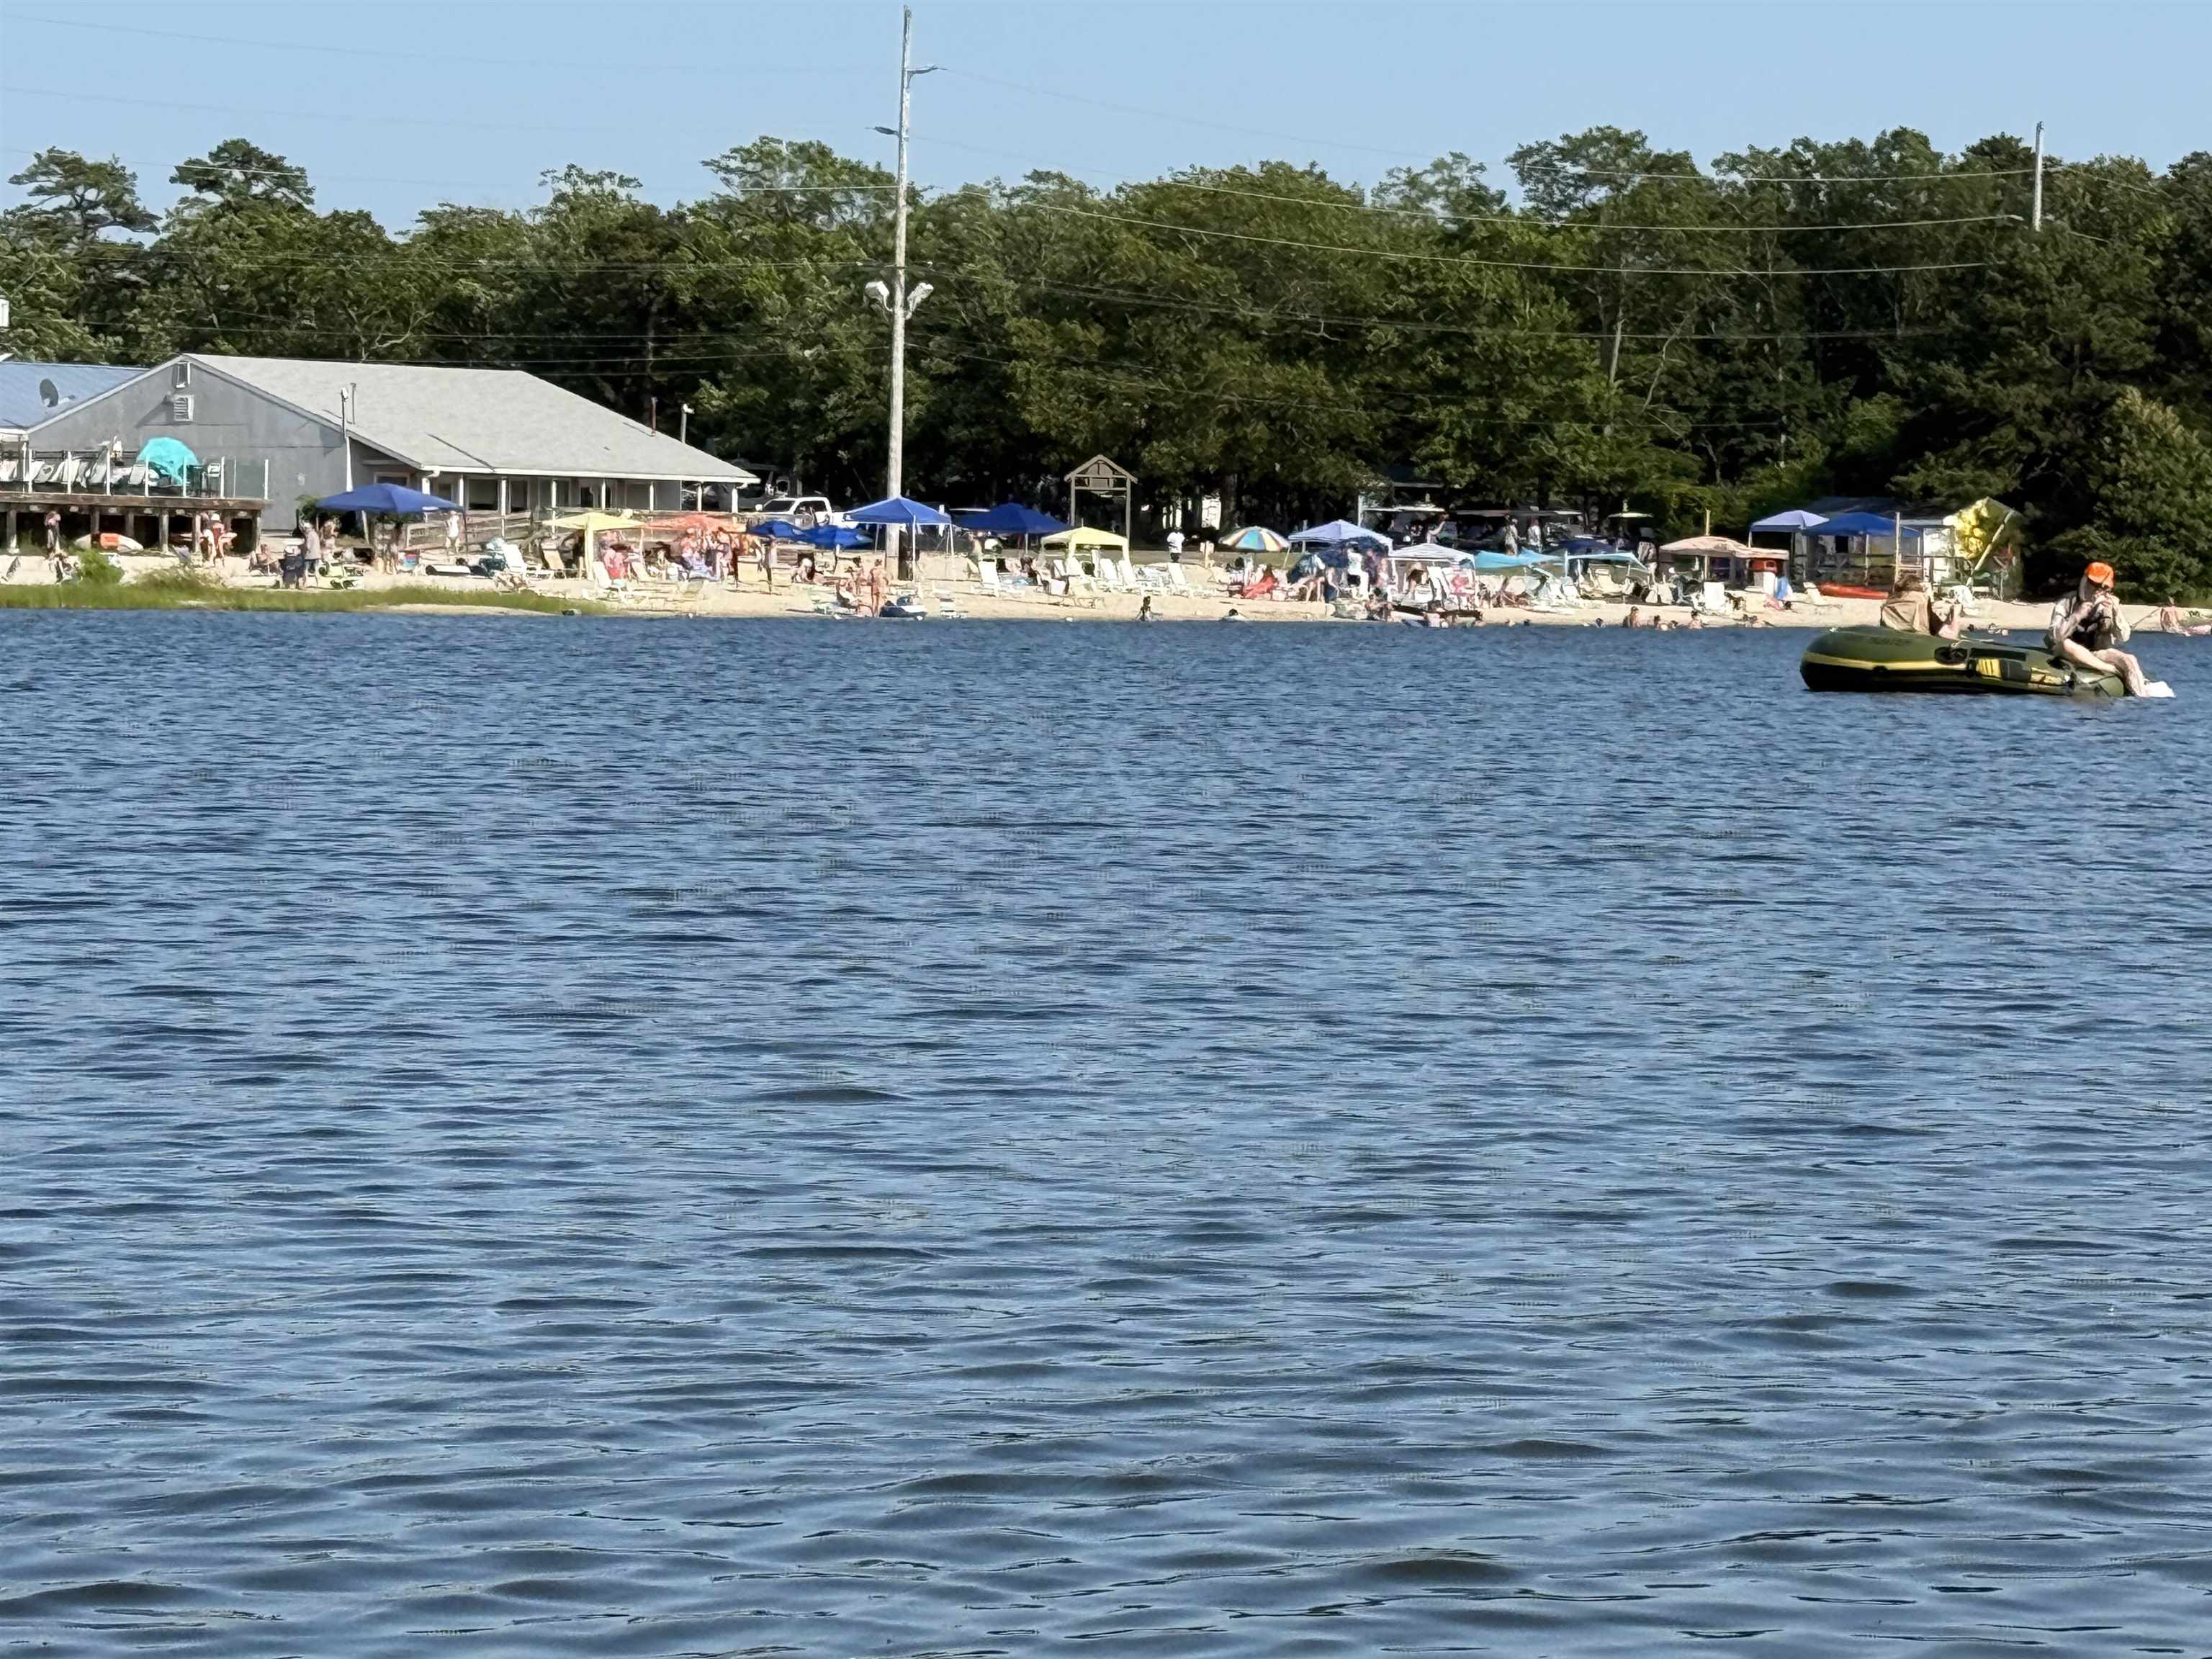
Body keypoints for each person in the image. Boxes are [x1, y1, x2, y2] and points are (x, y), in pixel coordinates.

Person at [2048, 561, 2150, 694]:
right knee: (2068, 645)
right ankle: (2113, 670)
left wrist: (2115, 611)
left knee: (2129, 659)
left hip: (2095, 653)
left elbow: (2124, 637)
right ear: (2084, 581)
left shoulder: (2106, 607)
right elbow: (2055, 636)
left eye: (2102, 588)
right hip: (2065, 651)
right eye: (2094, 585)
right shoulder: (2067, 602)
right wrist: (2077, 615)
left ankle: (2141, 696)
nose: (2097, 591)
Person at [1879, 570, 1960, 638]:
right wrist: (1955, 614)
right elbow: (1948, 635)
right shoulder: (1922, 601)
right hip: (1919, 645)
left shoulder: (1887, 606)